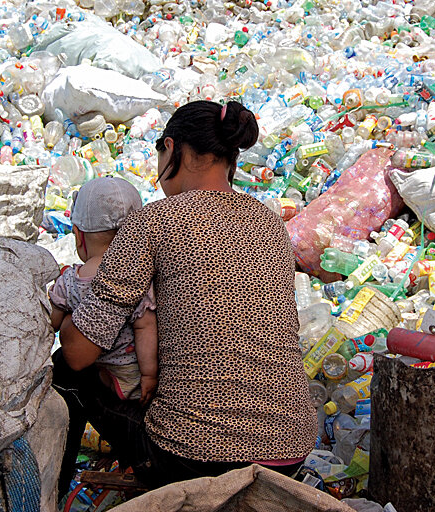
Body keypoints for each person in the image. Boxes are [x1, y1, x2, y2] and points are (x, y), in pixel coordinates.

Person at [54, 100, 317, 490]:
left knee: (62, 366)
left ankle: (53, 492)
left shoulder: (154, 221)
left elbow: (80, 352)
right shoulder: (270, 225)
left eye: (159, 152)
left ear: (172, 149)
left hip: (188, 460)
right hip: (289, 453)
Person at [49, 177, 157, 495]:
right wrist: (150, 373)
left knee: (64, 369)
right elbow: (145, 326)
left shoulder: (71, 279)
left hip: (127, 398)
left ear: (80, 236)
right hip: (143, 381)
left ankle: (55, 485)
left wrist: (66, 314)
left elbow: (53, 324)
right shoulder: (149, 272)